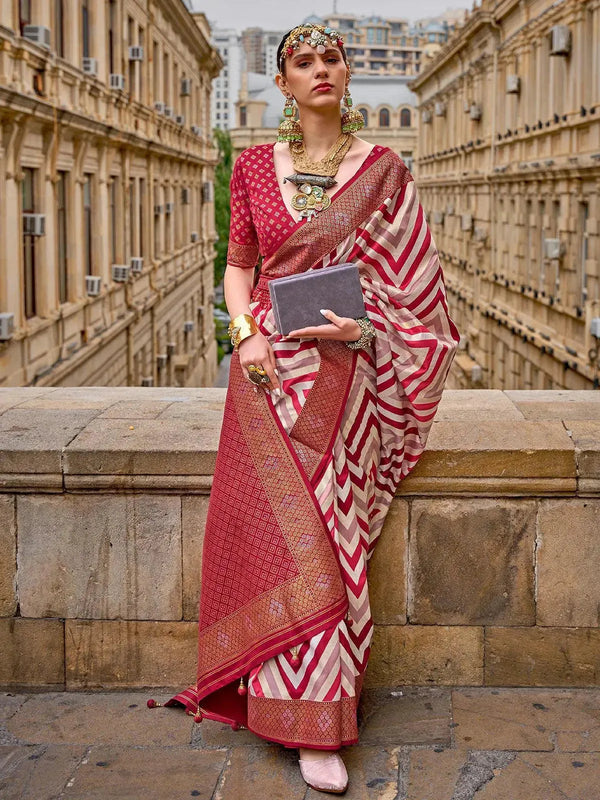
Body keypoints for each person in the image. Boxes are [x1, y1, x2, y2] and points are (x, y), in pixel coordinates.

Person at [149, 22, 459, 794]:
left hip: (345, 382)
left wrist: (367, 328)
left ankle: (322, 717)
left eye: (331, 57)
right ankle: (278, 704)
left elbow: (418, 287)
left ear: (347, 74)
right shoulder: (254, 166)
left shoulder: (385, 171)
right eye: (301, 62)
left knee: (333, 537)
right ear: (282, 83)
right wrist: (246, 336)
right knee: (278, 540)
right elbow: (238, 266)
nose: (320, 69)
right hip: (265, 382)